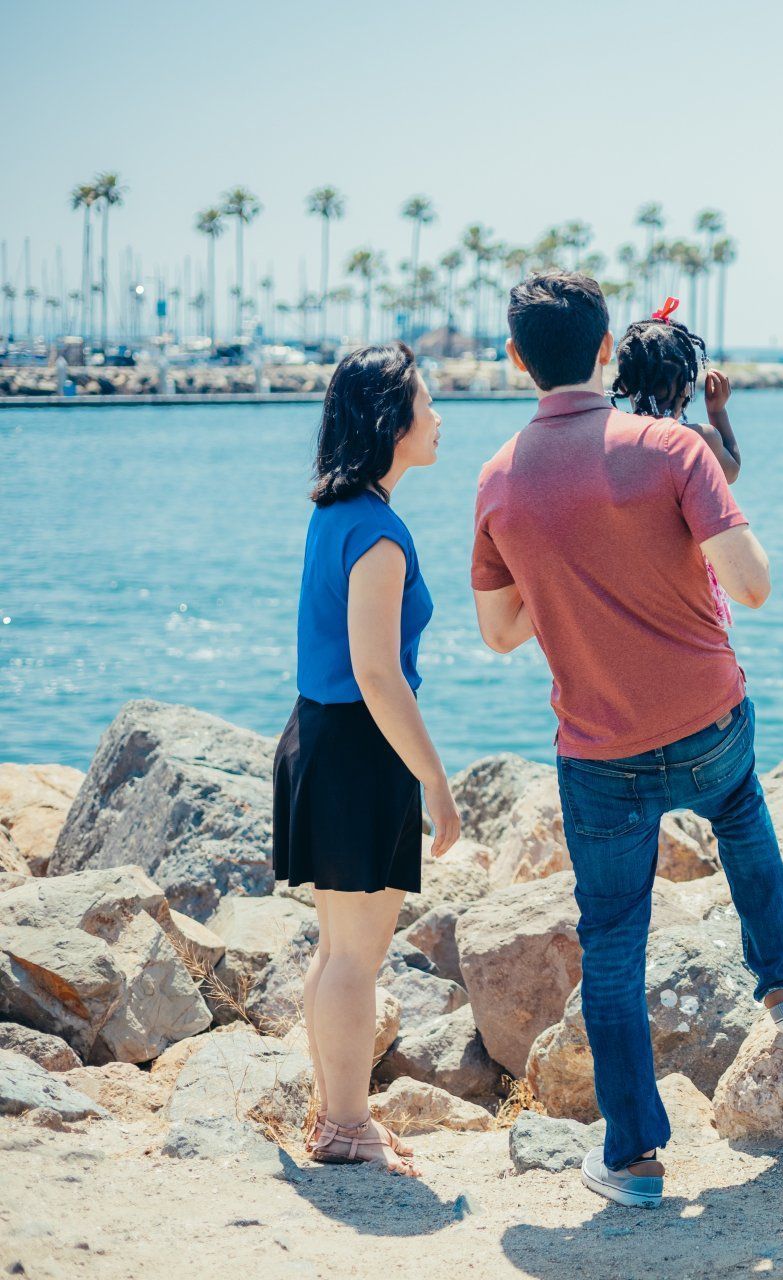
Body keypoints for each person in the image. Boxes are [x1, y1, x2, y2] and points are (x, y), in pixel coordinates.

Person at [470, 272, 783, 1209]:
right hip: (708, 720)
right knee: (743, 814)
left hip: (599, 752)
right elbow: (751, 587)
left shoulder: (498, 479)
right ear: (605, 351)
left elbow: (501, 633)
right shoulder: (675, 449)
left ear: (517, 361)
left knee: (615, 947)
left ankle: (632, 1157)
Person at [271, 343, 461, 1177]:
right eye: (427, 401)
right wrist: (437, 783)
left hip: (320, 736)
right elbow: (378, 673)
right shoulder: (379, 534)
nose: (439, 416)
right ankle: (348, 1127)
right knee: (355, 955)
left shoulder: (336, 512)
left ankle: (335, 1115)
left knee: (336, 948)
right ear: (392, 421)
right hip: (357, 747)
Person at [609, 297, 739, 625]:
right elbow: (733, 470)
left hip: (628, 584)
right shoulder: (700, 439)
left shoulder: (611, 439)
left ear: (623, 384)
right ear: (687, 386)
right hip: (685, 588)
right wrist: (717, 411)